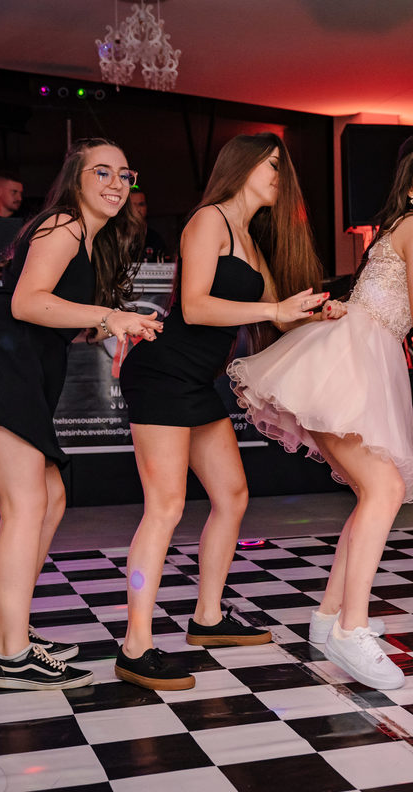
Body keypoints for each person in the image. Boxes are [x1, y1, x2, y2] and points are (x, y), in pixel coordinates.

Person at [228, 134, 413, 689]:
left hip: (364, 352)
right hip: (355, 356)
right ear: (411, 185)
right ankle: (352, 629)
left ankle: (329, 619)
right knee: (384, 489)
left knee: (374, 491)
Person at [0, 138, 163, 689]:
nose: (117, 183)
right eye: (102, 172)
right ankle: (11, 655)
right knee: (25, 505)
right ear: (75, 178)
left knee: (49, 499)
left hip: (17, 373)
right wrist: (109, 316)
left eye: (125, 174)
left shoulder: (89, 240)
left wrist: (114, 327)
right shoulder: (62, 224)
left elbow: (57, 319)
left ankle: (8, 633)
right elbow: (26, 303)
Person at [115, 133, 329, 691]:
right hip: (162, 374)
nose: (280, 176)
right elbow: (194, 305)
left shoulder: (251, 239)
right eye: (273, 165)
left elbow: (278, 316)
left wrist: (320, 314)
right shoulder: (208, 220)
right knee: (165, 507)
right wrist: (274, 308)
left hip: (195, 381)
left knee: (232, 495)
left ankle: (208, 618)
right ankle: (135, 645)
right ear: (243, 165)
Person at [128, 188, 170, 262]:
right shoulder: (116, 236)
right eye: (133, 205)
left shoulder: (155, 238)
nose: (138, 209)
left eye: (141, 204)